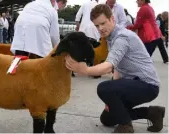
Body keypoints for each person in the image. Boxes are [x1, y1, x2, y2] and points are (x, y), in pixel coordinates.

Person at [65, 4, 165, 133]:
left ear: (112, 19)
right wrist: (112, 95)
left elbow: (108, 67)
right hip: (135, 83)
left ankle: (126, 126)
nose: (100, 28)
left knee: (103, 88)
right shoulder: (111, 37)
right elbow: (117, 67)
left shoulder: (122, 37)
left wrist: (84, 70)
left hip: (147, 85)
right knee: (107, 119)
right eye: (96, 25)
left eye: (103, 23)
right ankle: (152, 113)